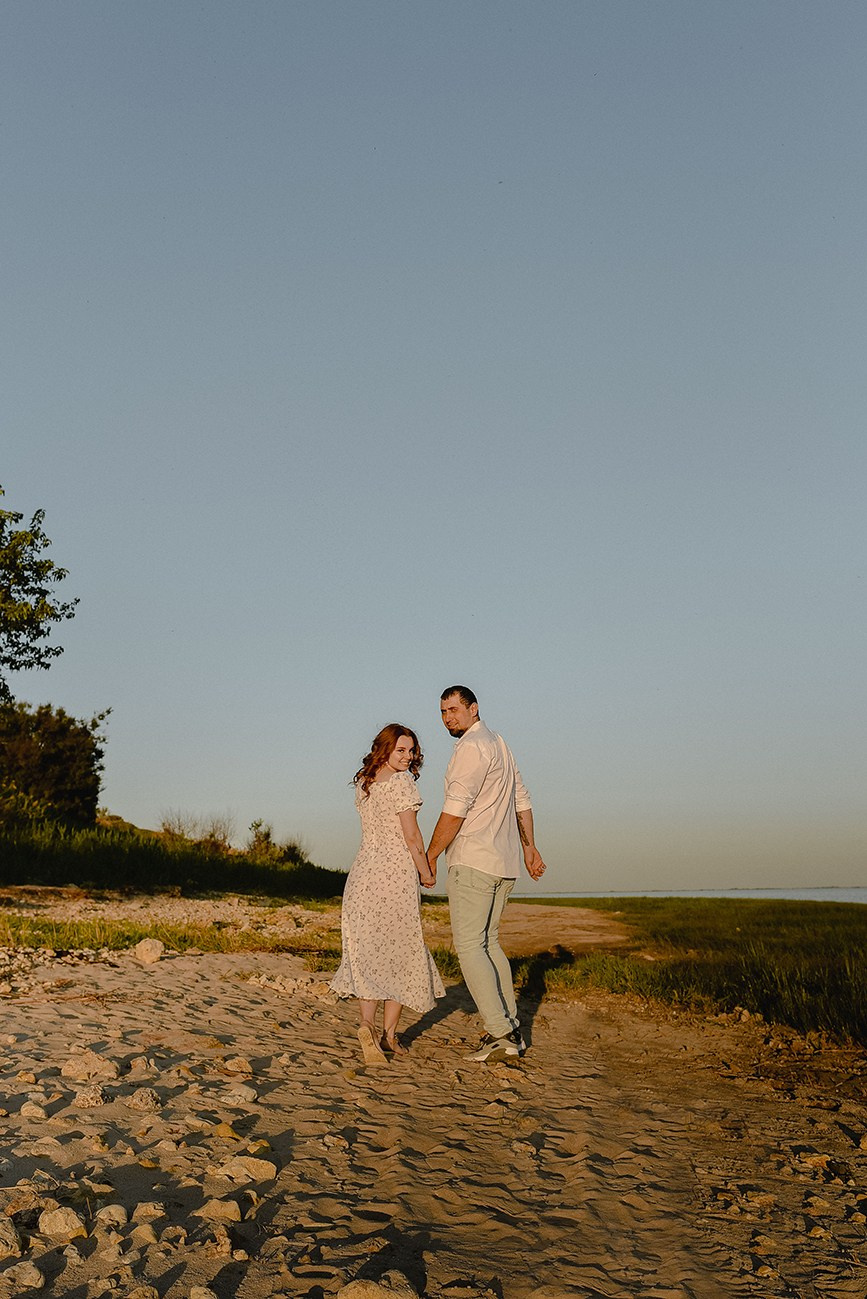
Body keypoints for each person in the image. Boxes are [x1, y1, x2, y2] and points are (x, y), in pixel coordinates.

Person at [426, 686, 546, 1062]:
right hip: (504, 862)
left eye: (455, 710)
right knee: (489, 943)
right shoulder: (500, 743)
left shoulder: (472, 747)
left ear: (473, 708)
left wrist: (430, 856)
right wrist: (528, 848)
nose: (448, 718)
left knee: (469, 946)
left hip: (474, 859)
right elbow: (521, 799)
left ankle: (499, 1032)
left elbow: (455, 809)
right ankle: (509, 1027)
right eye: (443, 711)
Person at [330, 722, 445, 1065]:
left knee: (369, 953)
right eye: (401, 750)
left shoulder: (366, 782)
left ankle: (366, 1025)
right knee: (401, 952)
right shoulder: (401, 783)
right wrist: (426, 870)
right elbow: (412, 837)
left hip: (363, 875)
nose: (408, 757)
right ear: (386, 749)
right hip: (394, 877)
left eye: (411, 751)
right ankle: (389, 1035)